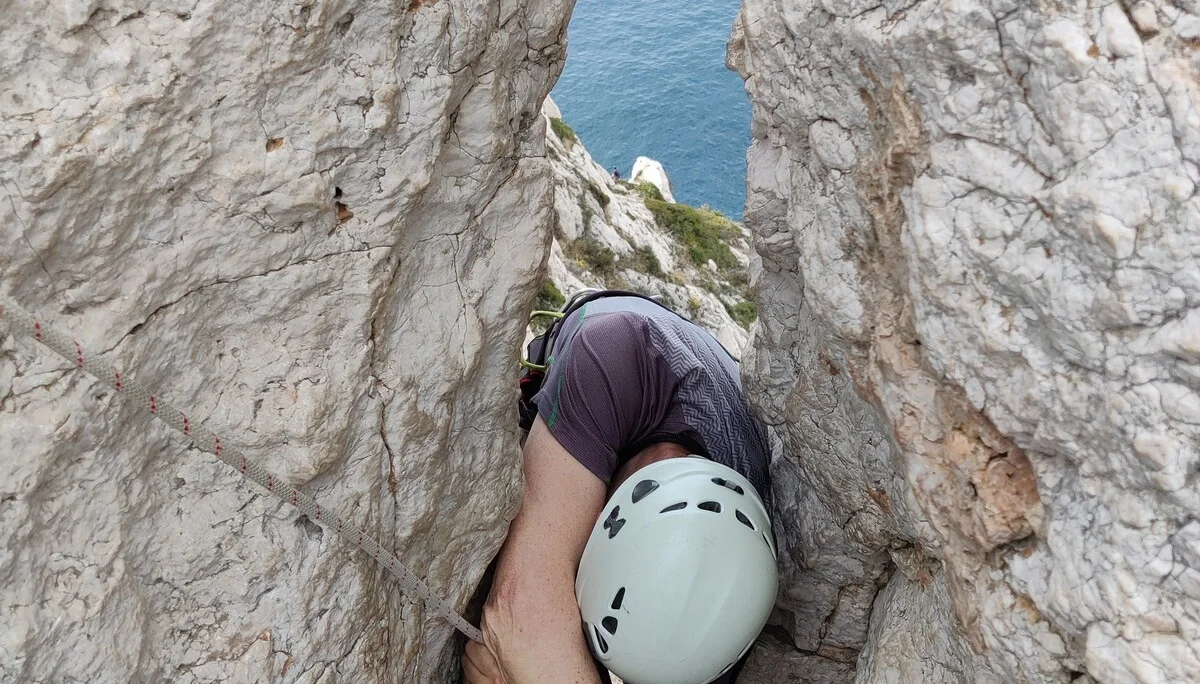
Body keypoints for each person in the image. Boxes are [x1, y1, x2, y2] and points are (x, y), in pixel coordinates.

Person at [464, 293, 777, 684]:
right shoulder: (615, 354)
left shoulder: (730, 597)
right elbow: (518, 615)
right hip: (628, 346)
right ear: (601, 519)